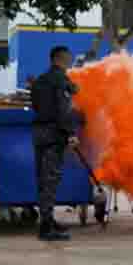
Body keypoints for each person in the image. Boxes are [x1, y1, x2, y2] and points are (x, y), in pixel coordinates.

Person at [31, 45, 81, 241]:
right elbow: (64, 109)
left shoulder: (41, 80)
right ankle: (46, 228)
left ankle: (48, 220)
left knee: (43, 180)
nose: (70, 63)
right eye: (69, 59)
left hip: (39, 135)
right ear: (62, 59)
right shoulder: (61, 80)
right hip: (54, 136)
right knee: (50, 181)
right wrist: (71, 133)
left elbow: (35, 106)